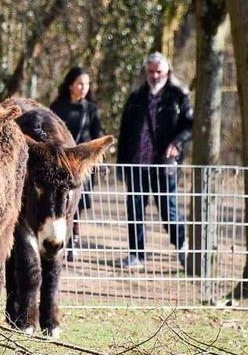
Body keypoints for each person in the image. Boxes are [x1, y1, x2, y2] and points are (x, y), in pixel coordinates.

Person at [117, 52, 193, 270]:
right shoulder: (136, 97)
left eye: (159, 71)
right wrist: (122, 163)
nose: (154, 75)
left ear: (167, 72)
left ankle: (182, 247)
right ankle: (136, 255)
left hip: (163, 165)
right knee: (135, 209)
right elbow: (125, 132)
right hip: (137, 164)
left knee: (168, 210)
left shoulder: (178, 95)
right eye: (150, 71)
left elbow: (190, 126)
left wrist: (177, 143)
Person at [50, 67, 104, 261]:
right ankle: (61, 239)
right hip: (63, 164)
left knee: (78, 205)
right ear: (70, 85)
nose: (84, 88)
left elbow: (98, 134)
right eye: (80, 83)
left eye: (87, 84)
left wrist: (100, 157)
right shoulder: (57, 107)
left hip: (83, 165)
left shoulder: (91, 109)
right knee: (62, 202)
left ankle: (73, 242)